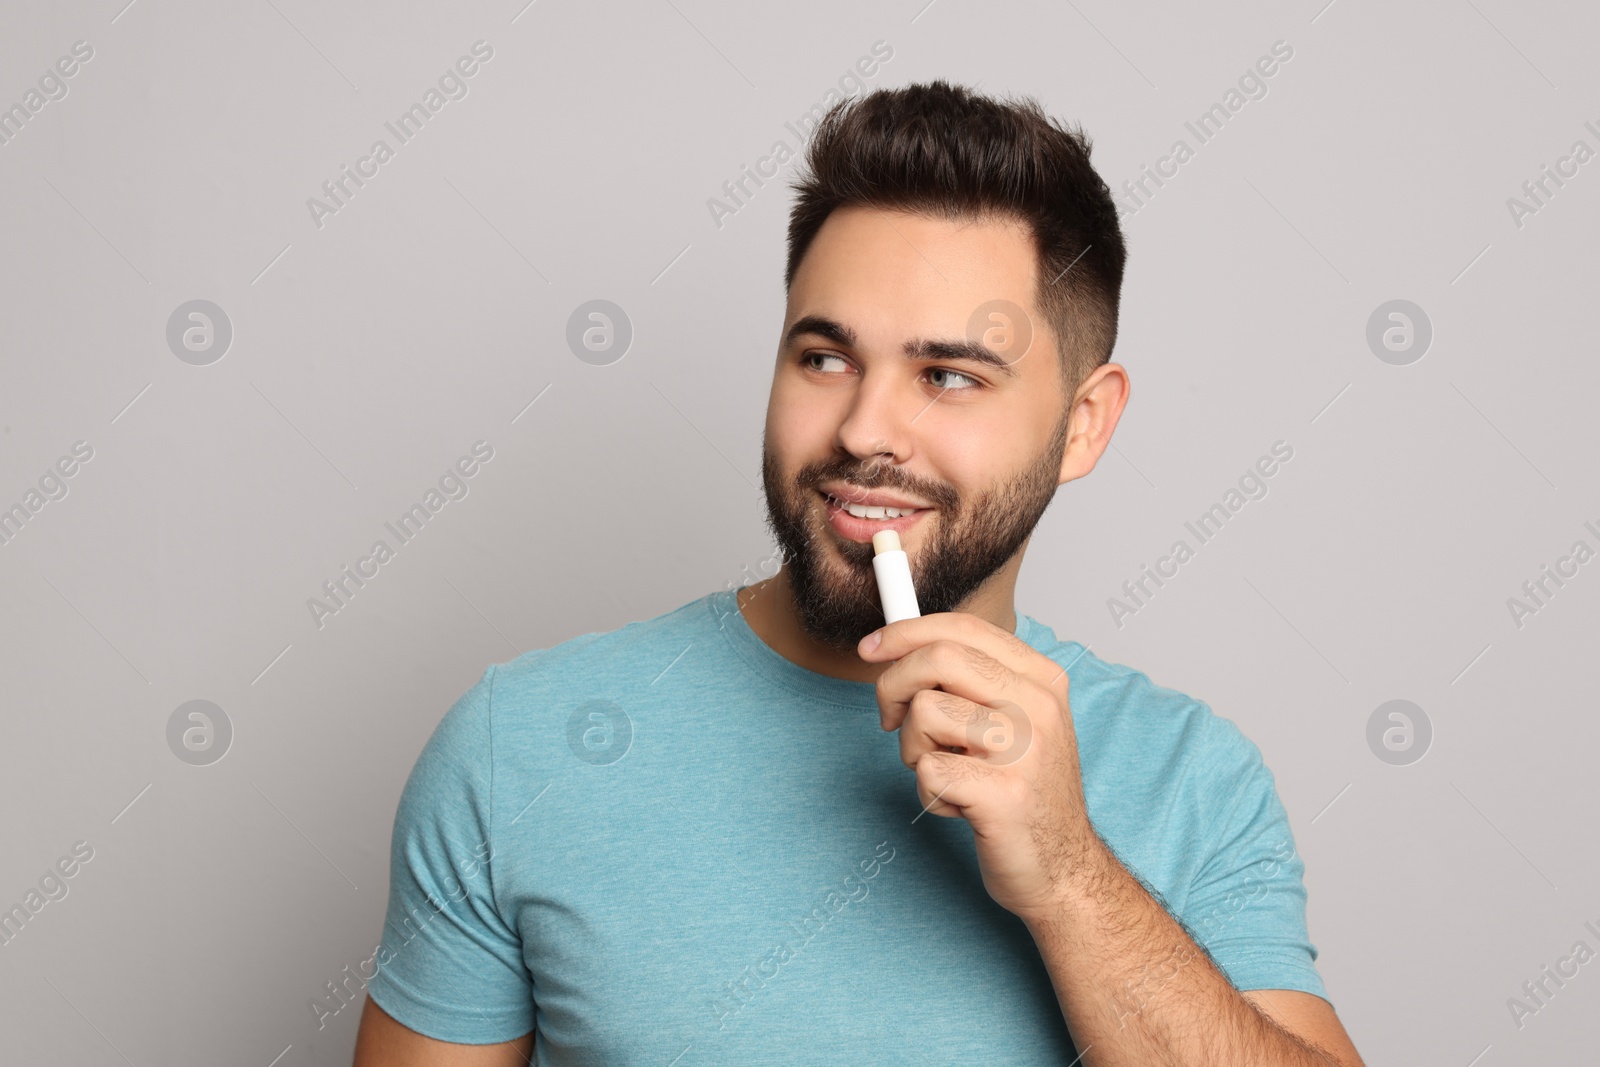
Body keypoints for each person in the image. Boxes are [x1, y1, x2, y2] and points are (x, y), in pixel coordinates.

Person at [353, 79, 1364, 1066]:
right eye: (826, 358)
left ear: (1082, 423)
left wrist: (1066, 873)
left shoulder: (1191, 776)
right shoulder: (516, 749)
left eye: (949, 376)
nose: (864, 429)